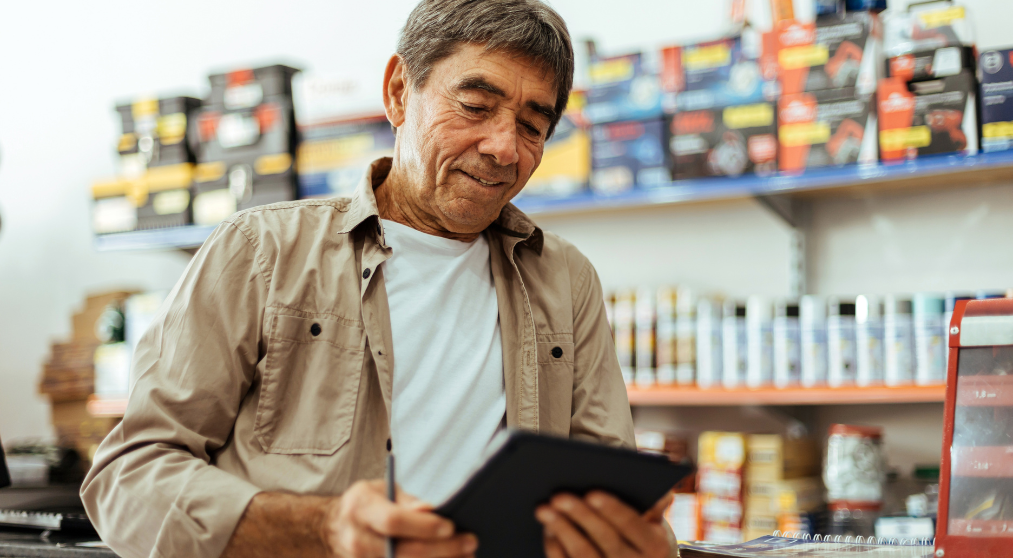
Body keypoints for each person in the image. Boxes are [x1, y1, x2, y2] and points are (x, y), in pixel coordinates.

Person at [81, 1, 677, 557]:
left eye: (532, 124)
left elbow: (610, 494)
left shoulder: (564, 279)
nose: (503, 148)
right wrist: (323, 528)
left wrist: (637, 540)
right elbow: (129, 477)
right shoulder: (261, 249)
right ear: (398, 90)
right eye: (475, 105)